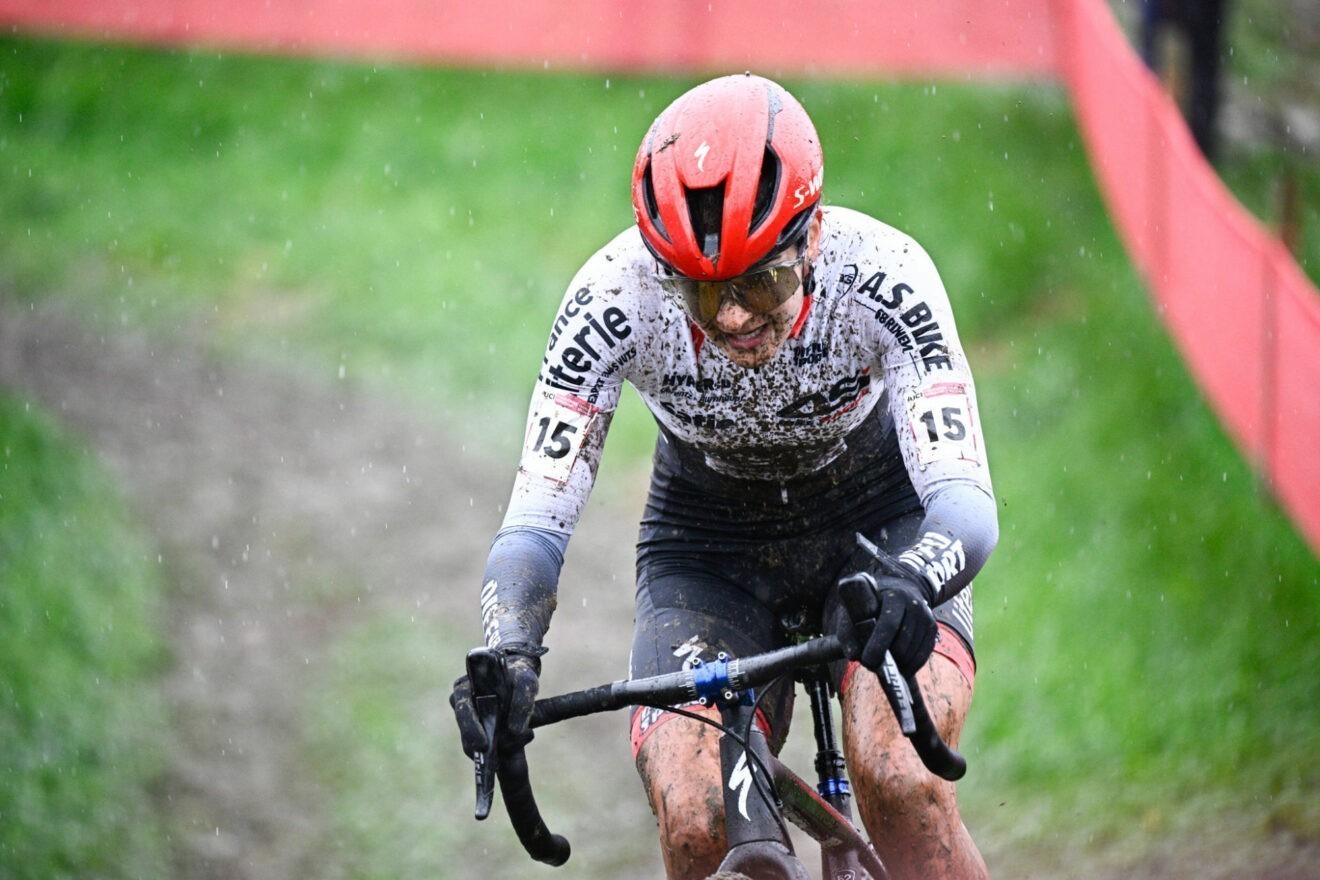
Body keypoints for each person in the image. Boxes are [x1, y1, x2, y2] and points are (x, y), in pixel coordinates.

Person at [452, 73, 998, 880]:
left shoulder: (883, 272)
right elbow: (534, 521)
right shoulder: (615, 295)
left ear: (810, 239)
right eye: (703, 295)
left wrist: (915, 581)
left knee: (900, 780)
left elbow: (965, 505)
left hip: (885, 533)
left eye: (761, 282)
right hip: (708, 552)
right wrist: (509, 653)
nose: (735, 317)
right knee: (696, 821)